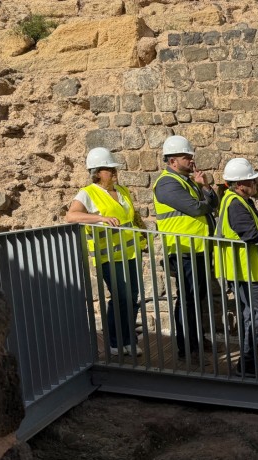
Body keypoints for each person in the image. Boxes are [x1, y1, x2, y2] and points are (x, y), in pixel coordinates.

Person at [67, 147, 144, 357]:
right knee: (120, 297)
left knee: (132, 297)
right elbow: (71, 216)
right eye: (109, 169)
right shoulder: (88, 193)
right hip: (108, 256)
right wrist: (100, 218)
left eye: (113, 168)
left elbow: (132, 217)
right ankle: (114, 342)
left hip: (130, 253)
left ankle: (129, 340)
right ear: (97, 172)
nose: (113, 172)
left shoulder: (122, 191)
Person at [214, 158, 258, 378]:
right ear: (240, 184)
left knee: (249, 316)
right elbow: (250, 235)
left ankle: (248, 362)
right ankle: (248, 362)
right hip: (244, 270)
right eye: (251, 180)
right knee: (257, 316)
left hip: (243, 269)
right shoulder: (236, 204)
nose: (254, 183)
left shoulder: (235, 201)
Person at [152, 135, 218, 361]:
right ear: (172, 162)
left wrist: (206, 187)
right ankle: (187, 348)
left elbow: (212, 203)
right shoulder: (167, 184)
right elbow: (198, 209)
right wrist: (205, 199)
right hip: (182, 250)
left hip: (197, 248)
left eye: (190, 156)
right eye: (185, 157)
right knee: (187, 299)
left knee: (196, 298)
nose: (191, 160)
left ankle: (196, 340)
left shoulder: (188, 181)